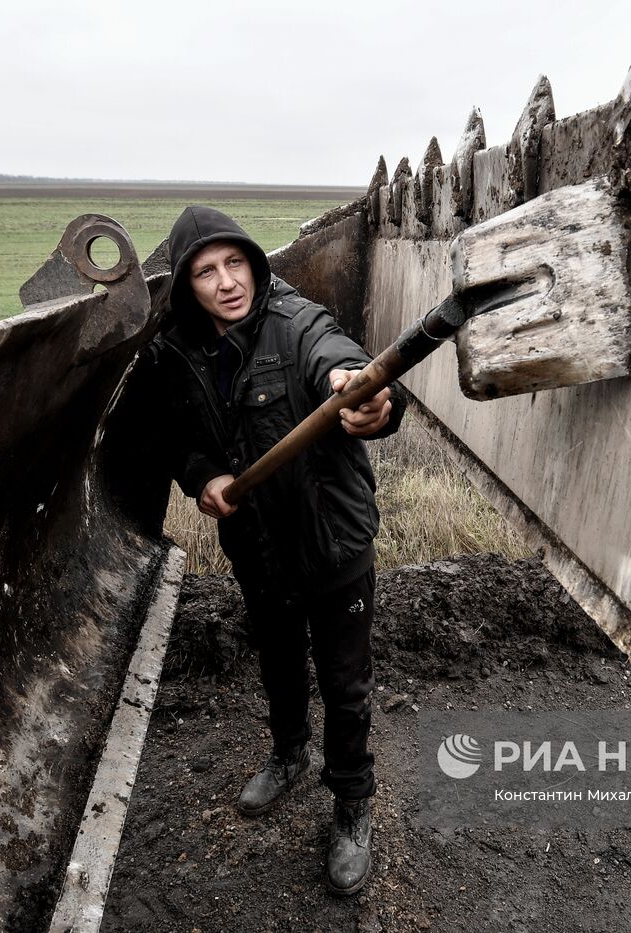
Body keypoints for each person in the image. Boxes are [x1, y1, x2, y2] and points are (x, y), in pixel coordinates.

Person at [150, 204, 404, 896]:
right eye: (206, 271)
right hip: (258, 548)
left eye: (236, 262)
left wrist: (363, 396)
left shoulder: (297, 324)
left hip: (330, 542)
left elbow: (341, 364)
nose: (227, 281)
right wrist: (203, 478)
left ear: (254, 264)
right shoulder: (178, 353)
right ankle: (289, 753)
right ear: (186, 286)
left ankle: (352, 803)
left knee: (346, 686)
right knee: (281, 662)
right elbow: (179, 438)